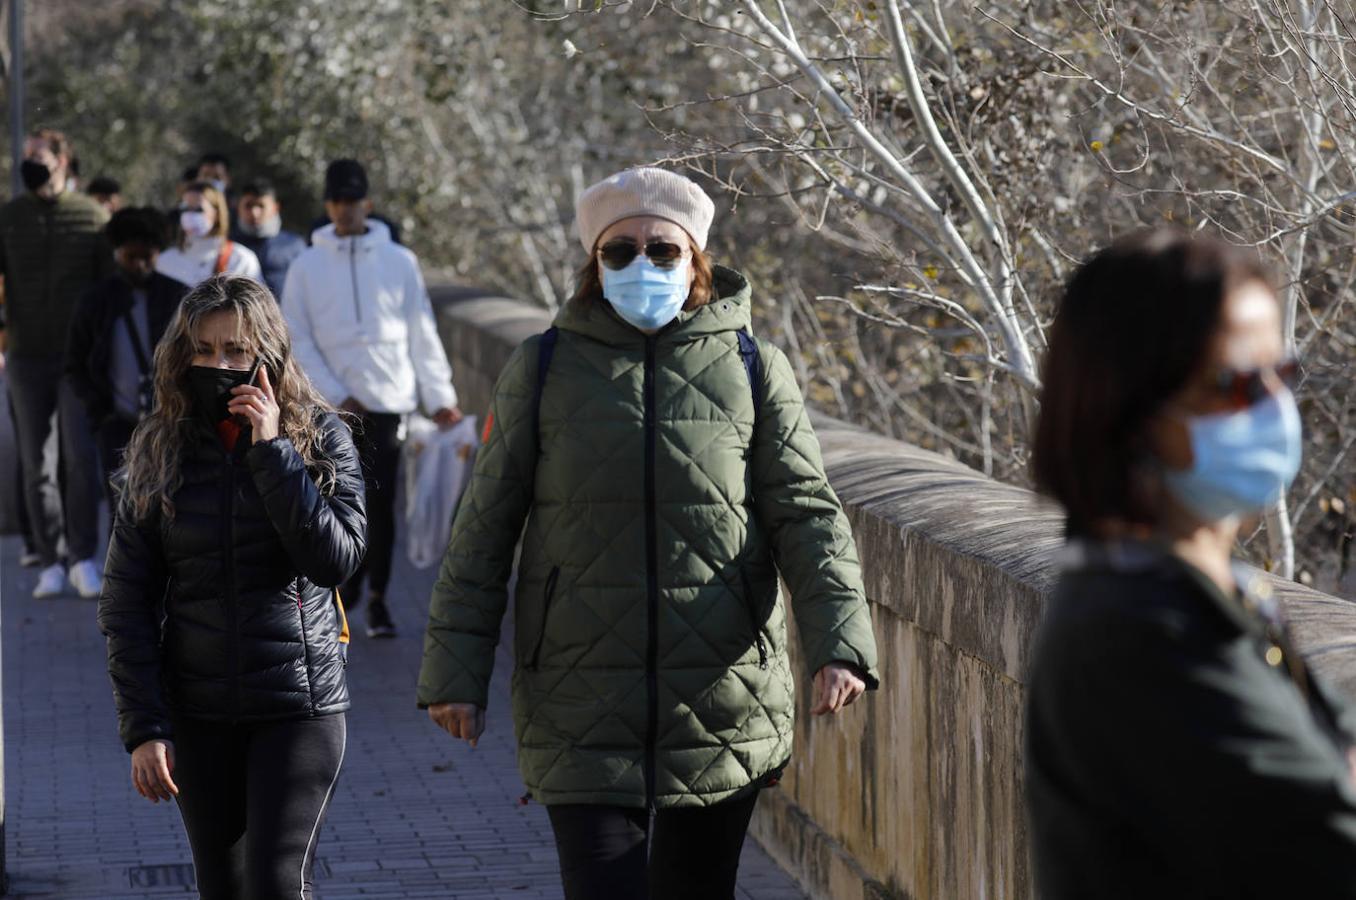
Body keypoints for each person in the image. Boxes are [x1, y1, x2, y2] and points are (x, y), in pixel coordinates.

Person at [417, 167, 880, 900]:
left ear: (696, 261)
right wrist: (454, 671)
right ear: (594, 266)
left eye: (663, 250)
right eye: (621, 250)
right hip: (576, 692)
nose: (643, 264)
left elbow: (807, 513)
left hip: (722, 694)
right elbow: (484, 526)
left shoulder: (755, 368)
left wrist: (840, 644)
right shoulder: (541, 368)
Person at [1025, 229, 1356, 897]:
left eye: (1282, 374)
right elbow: (1326, 843)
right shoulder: (1137, 632)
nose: (1274, 406)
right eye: (1234, 384)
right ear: (1131, 412)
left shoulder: (1213, 587)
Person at [98, 274, 365, 899]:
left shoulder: (322, 437)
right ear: (180, 355)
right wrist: (144, 726)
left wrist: (272, 451)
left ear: (268, 357)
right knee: (223, 886)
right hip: (199, 710)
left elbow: (335, 559)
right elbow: (126, 601)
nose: (221, 365)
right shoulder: (160, 449)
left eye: (238, 352)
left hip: (299, 705)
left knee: (275, 884)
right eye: (205, 349)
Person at [282, 158, 461, 639]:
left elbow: (421, 329)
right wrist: (337, 395)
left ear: (368, 203)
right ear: (328, 204)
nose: (346, 209)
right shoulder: (306, 265)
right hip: (332, 409)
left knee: (380, 507)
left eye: (353, 200)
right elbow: (296, 337)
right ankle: (344, 591)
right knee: (334, 500)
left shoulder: (400, 262)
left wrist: (439, 395)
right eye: (337, 201)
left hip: (389, 403)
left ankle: (376, 598)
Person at [0, 126, 111, 598]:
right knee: (36, 464)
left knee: (80, 459)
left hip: (77, 360)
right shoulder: (9, 217)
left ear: (63, 162)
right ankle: (50, 559)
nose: (30, 163)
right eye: (26, 156)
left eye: (39, 156)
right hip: (25, 356)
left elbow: (108, 290)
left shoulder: (92, 217)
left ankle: (83, 557)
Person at [65, 207, 189, 516]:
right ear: (117, 254)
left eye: (146, 257)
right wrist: (100, 411)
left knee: (174, 508)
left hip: (169, 421)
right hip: (117, 424)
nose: (139, 265)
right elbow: (75, 363)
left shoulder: (177, 296)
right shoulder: (95, 300)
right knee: (122, 513)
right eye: (131, 257)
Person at [157, 181, 261, 287]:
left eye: (199, 209)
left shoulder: (240, 260)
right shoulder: (166, 261)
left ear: (217, 213)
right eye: (185, 209)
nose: (190, 215)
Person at [230, 178, 305, 299]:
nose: (254, 212)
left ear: (275, 208)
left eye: (261, 206)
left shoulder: (294, 245)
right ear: (238, 208)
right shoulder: (228, 246)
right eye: (248, 206)